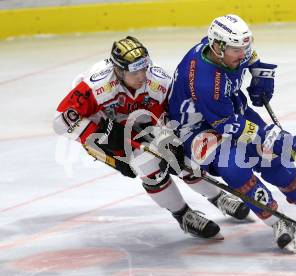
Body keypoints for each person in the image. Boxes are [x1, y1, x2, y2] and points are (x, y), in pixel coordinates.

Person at [168, 15, 296, 253]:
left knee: (274, 159)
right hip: (199, 130)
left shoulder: (226, 51)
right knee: (235, 168)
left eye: (244, 46)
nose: (243, 53)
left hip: (229, 110)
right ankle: (276, 220)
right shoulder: (205, 82)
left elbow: (250, 57)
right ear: (218, 47)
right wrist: (267, 135)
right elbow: (228, 126)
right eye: (236, 49)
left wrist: (260, 77)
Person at [53, 36, 250, 240]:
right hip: (104, 128)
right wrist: (100, 134)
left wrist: (168, 138)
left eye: (144, 69)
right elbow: (60, 120)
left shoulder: (158, 81)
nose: (142, 77)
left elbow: (171, 113)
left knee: (181, 158)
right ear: (118, 71)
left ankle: (218, 197)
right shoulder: (97, 86)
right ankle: (183, 214)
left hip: (142, 121)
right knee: (146, 165)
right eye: (134, 72)